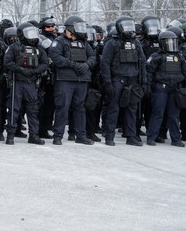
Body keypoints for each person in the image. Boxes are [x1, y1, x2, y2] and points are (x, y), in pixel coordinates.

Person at [48, 15, 96, 145]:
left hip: (81, 80)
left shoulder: (84, 43)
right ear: (70, 28)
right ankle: (58, 136)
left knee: (80, 108)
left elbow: (93, 57)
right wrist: (73, 65)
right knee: (62, 107)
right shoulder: (59, 41)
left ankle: (80, 135)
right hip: (65, 80)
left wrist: (86, 65)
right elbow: (55, 57)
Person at [100, 16, 147, 146]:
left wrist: (144, 82)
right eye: (126, 26)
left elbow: (142, 63)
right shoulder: (112, 43)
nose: (129, 29)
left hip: (133, 81)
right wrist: (108, 83)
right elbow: (105, 64)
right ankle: (109, 137)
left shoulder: (136, 43)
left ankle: (131, 136)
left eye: (130, 26)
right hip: (117, 80)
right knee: (113, 109)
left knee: (132, 110)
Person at [3, 22, 48, 145]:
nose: (32, 36)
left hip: (32, 83)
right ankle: (10, 135)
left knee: (33, 110)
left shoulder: (38, 48)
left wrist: (35, 71)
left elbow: (45, 63)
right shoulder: (14, 47)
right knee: (13, 109)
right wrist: (21, 69)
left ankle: (33, 135)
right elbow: (7, 62)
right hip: (17, 82)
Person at [145, 30, 186, 147]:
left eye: (173, 41)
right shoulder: (156, 56)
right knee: (158, 113)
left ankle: (176, 139)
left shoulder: (179, 56)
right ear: (162, 43)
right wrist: (148, 87)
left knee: (174, 115)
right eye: (168, 41)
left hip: (175, 88)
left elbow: (184, 71)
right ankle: (152, 137)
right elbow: (149, 73)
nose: (171, 44)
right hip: (161, 88)